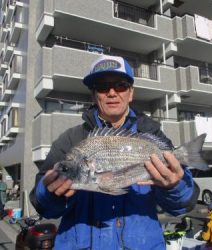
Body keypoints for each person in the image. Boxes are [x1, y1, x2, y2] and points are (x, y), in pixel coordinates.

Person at [30, 55, 199, 250]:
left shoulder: (151, 133)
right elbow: (41, 203)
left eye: (120, 85)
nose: (112, 93)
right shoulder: (70, 140)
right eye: (102, 86)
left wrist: (174, 186)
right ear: (94, 95)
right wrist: (50, 193)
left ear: (131, 93)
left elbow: (184, 204)